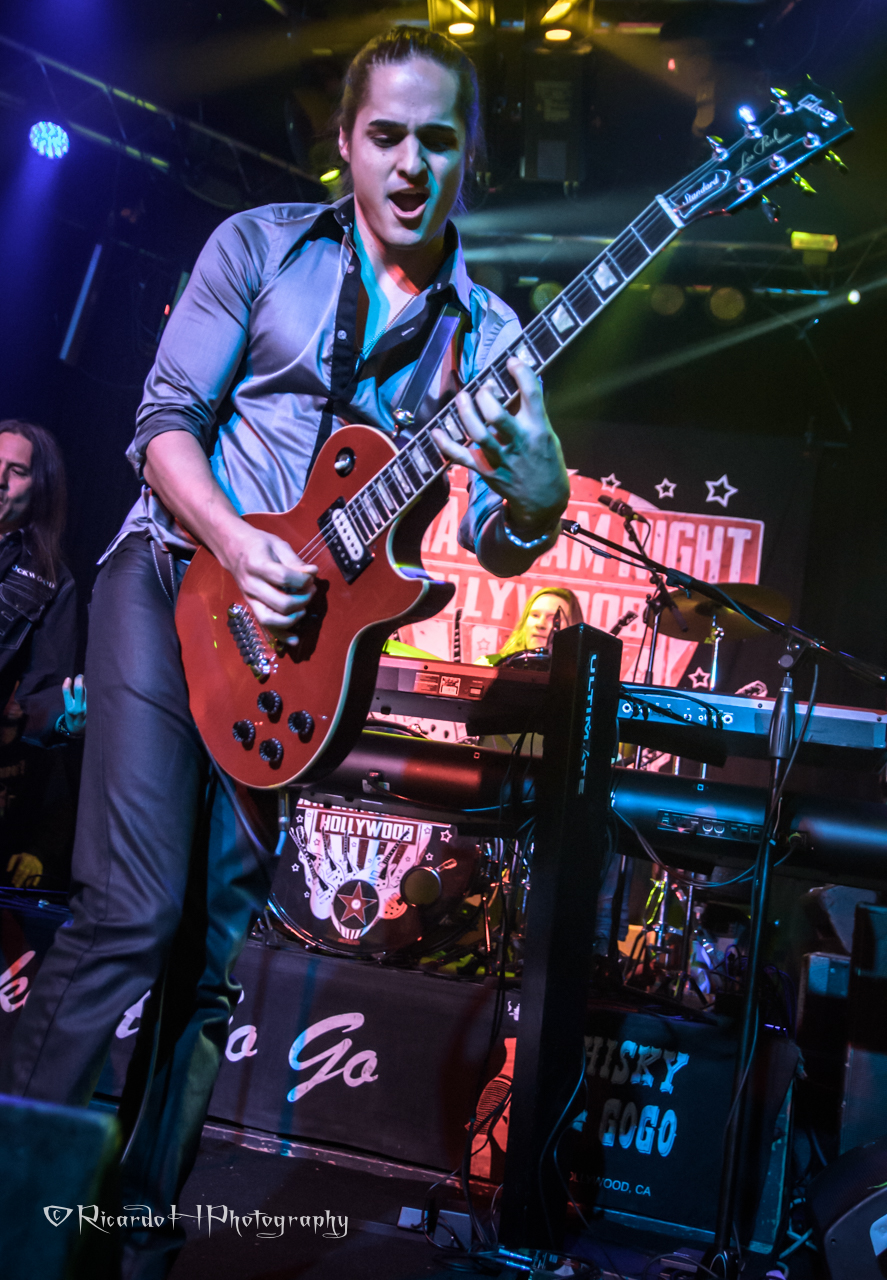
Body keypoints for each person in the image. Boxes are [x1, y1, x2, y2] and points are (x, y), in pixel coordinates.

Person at [0, 27, 570, 1279]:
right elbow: (162, 422)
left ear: (467, 151)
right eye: (386, 135)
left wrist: (534, 492)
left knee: (209, 959)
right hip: (173, 582)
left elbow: (491, 531)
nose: (409, 163)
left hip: (299, 659)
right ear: (346, 143)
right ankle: (14, 1218)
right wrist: (233, 537)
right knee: (133, 907)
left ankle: (130, 1236)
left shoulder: (487, 331)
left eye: (436, 139)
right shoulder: (259, 246)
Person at [0, 420, 86, 888]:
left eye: (16, 471)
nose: (0, 479)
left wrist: (64, 721)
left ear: (40, 489)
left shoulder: (49, 580)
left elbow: (42, 696)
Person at [480, 587, 584, 665]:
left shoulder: (581, 677)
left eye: (553, 619)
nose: (540, 624)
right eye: (535, 615)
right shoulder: (489, 664)